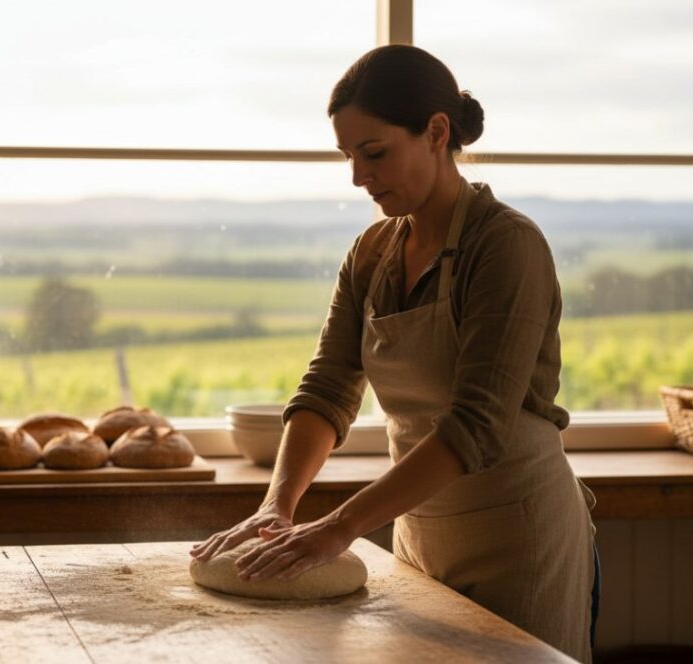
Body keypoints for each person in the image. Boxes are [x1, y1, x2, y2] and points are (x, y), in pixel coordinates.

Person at [190, 44, 598, 663]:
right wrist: (278, 505)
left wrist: (337, 527)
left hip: (520, 534)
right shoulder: (373, 252)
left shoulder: (507, 246)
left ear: (436, 132)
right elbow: (328, 388)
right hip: (420, 529)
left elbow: (475, 426)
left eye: (374, 153)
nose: (359, 176)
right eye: (348, 157)